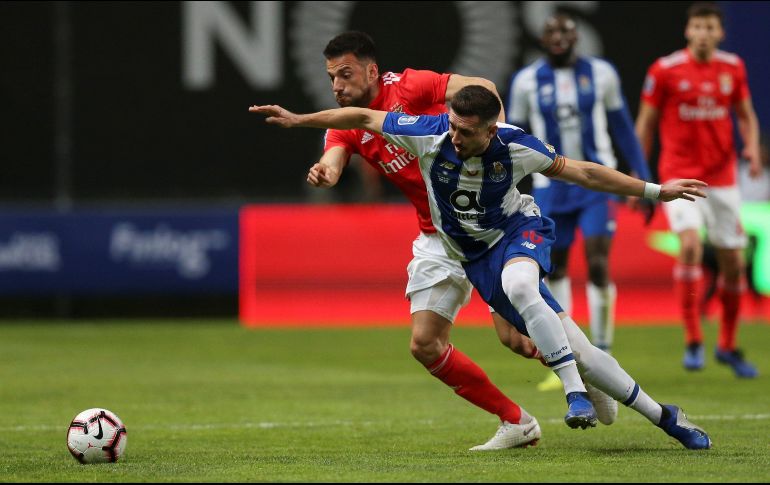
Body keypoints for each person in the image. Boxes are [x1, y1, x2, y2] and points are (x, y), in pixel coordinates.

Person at [249, 84, 713, 450]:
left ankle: (573, 391)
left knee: (522, 285)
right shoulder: (428, 132)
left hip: (520, 231)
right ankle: (666, 418)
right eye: (453, 125)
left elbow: (587, 173)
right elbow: (365, 117)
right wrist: (299, 120)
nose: (455, 135)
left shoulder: (516, 146)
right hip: (475, 257)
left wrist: (656, 190)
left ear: (491, 129)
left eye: (466, 130)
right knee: (582, 351)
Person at [306, 31, 547, 451]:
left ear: (372, 71)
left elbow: (484, 89)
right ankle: (517, 421)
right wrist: (326, 172)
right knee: (425, 344)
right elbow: (333, 157)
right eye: (331, 78)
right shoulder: (348, 127)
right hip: (437, 237)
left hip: (485, 226)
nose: (337, 87)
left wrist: (498, 142)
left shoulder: (410, 87)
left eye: (345, 75)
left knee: (517, 339)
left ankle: (586, 375)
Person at [506, 12, 654, 394]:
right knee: (554, 270)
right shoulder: (526, 81)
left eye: (566, 32)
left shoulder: (602, 74)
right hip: (549, 185)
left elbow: (622, 126)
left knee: (599, 262)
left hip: (593, 183)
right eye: (551, 32)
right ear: (542, 40)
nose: (559, 38)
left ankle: (604, 352)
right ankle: (568, 354)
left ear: (577, 39)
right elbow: (511, 137)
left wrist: (641, 179)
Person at [635, 2, 761, 377]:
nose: (704, 33)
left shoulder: (733, 67)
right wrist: (639, 176)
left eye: (710, 27)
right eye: (698, 27)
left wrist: (751, 146)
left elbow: (746, 114)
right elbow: (646, 123)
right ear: (688, 31)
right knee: (690, 246)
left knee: (734, 263)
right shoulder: (665, 70)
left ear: (720, 32)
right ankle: (693, 339)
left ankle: (727, 344)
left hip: (723, 178)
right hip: (679, 175)